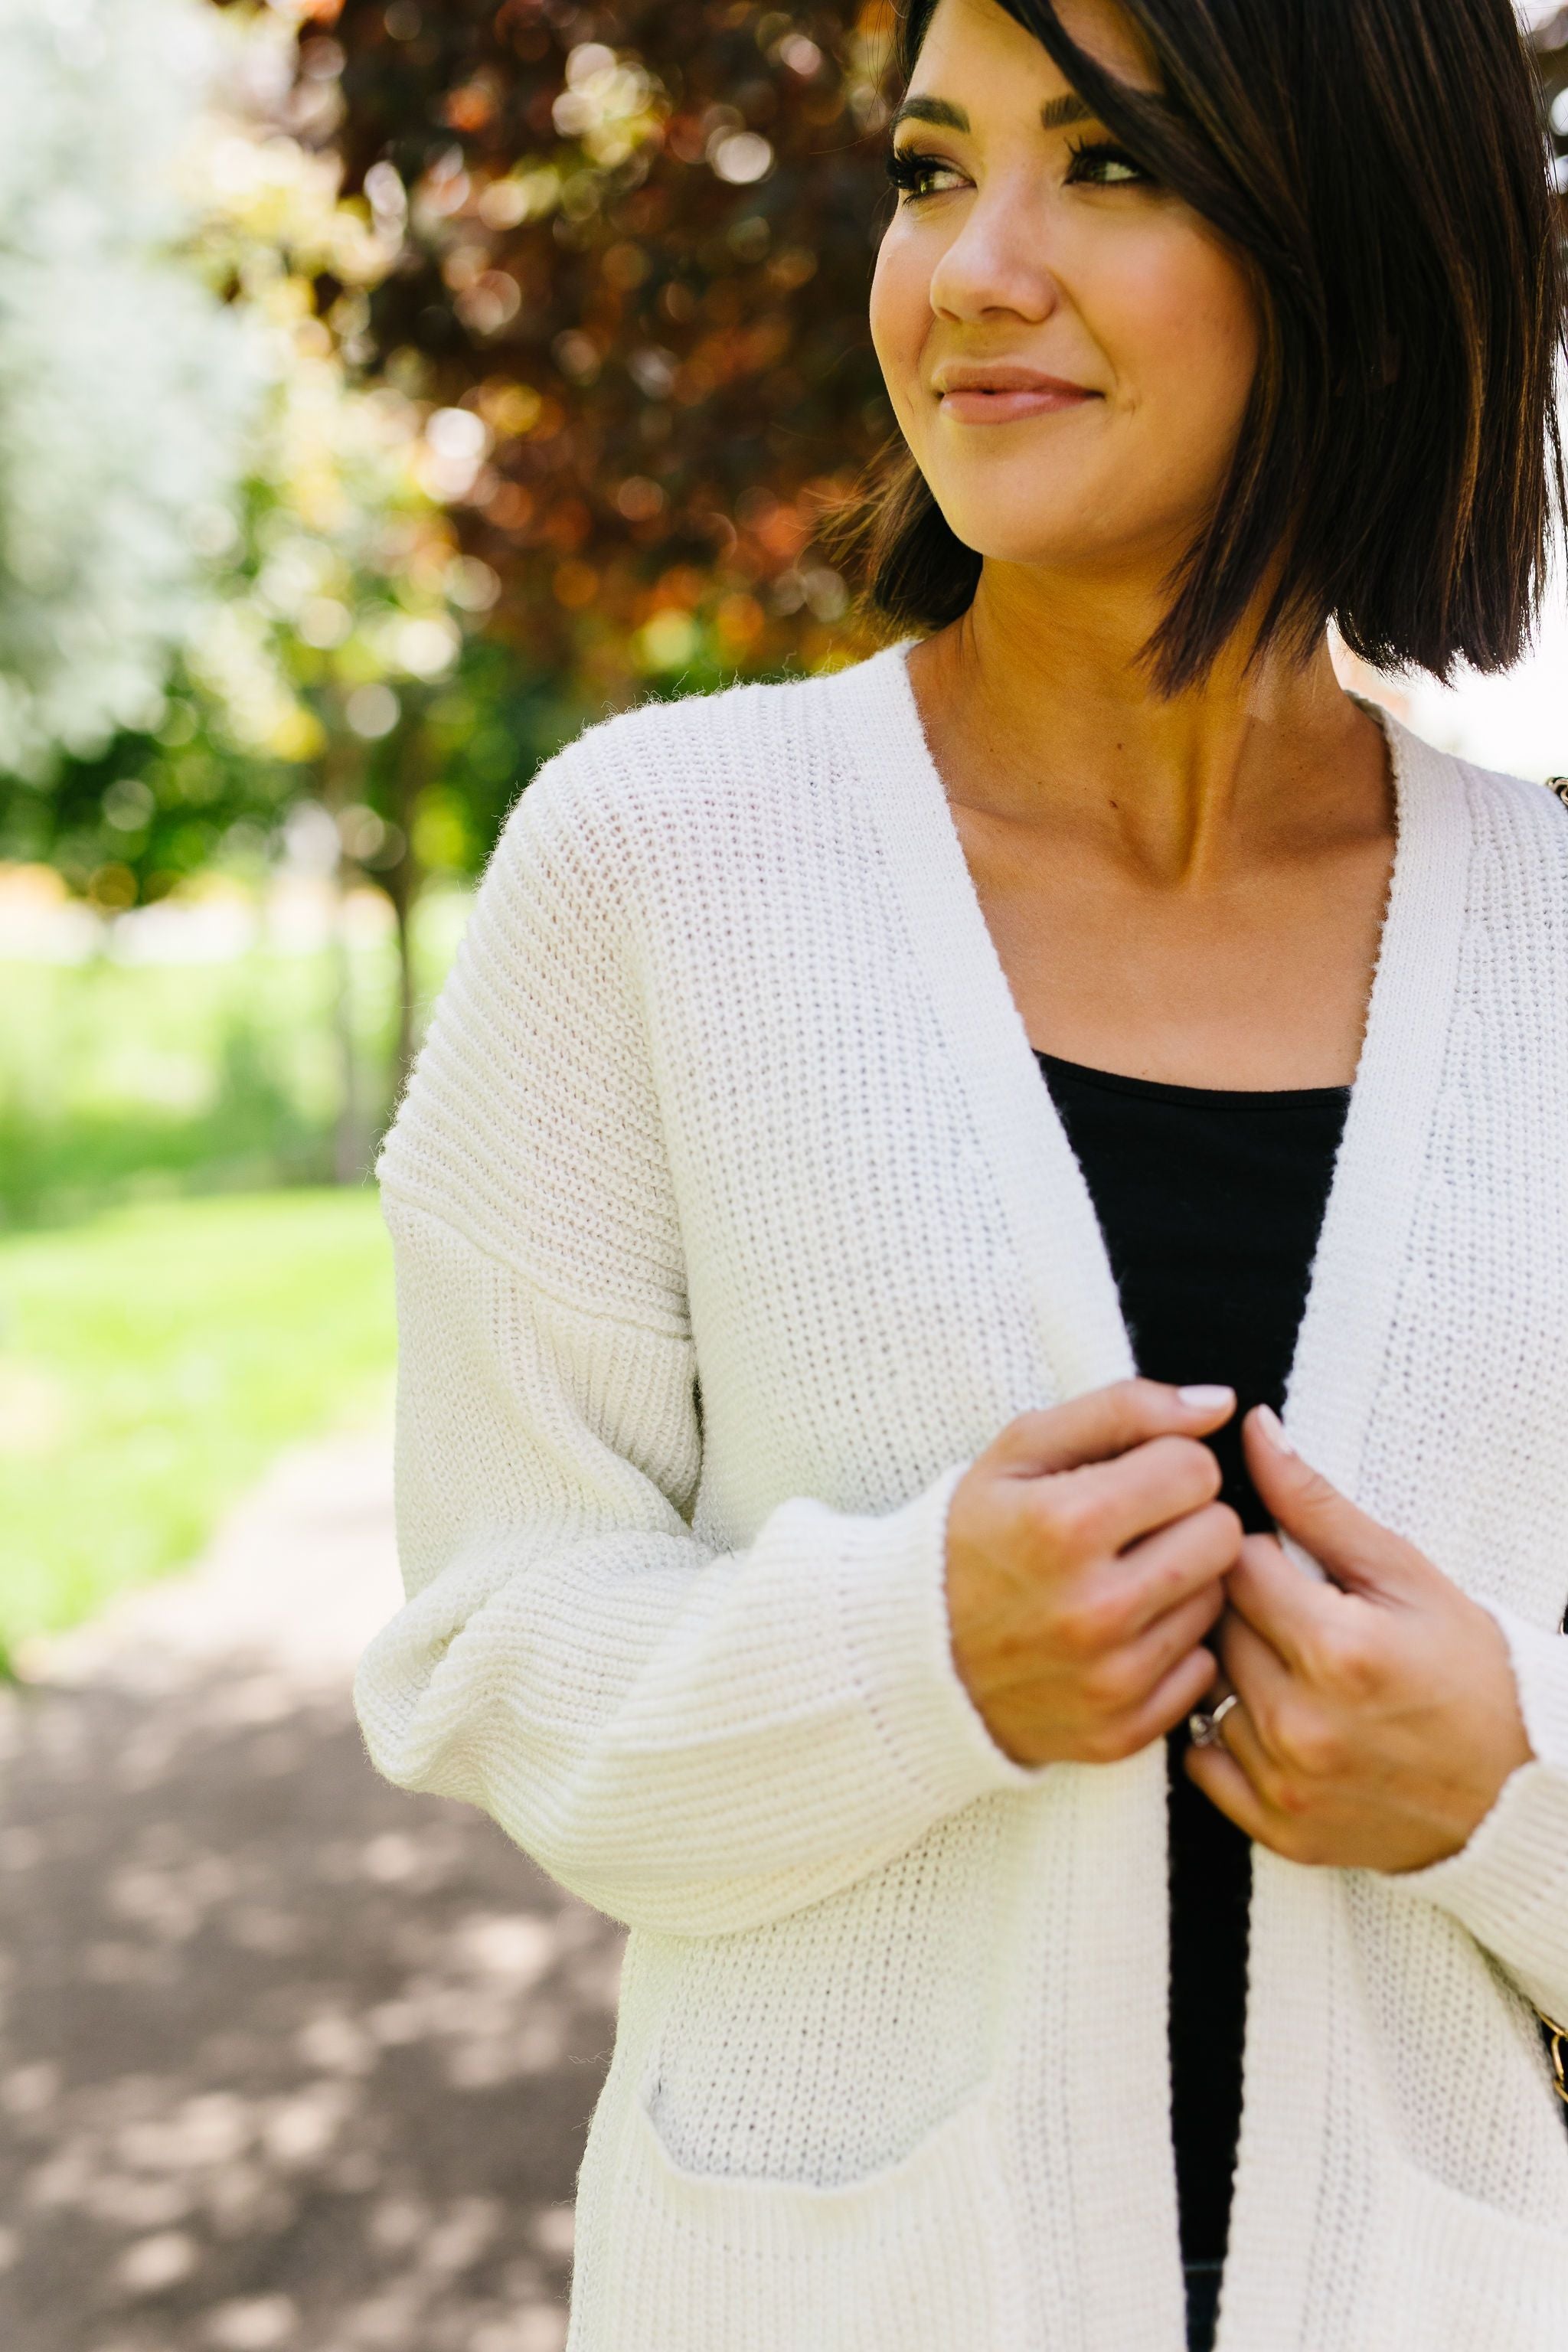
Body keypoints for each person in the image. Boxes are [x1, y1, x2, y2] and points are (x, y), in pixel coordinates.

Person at [351, 0, 1568, 2344]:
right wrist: (913, 1657)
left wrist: (1502, 1781)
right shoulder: (658, 870)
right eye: (931, 168)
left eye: (1107, 165)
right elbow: (495, 1654)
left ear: (1361, 244)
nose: (972, 265)